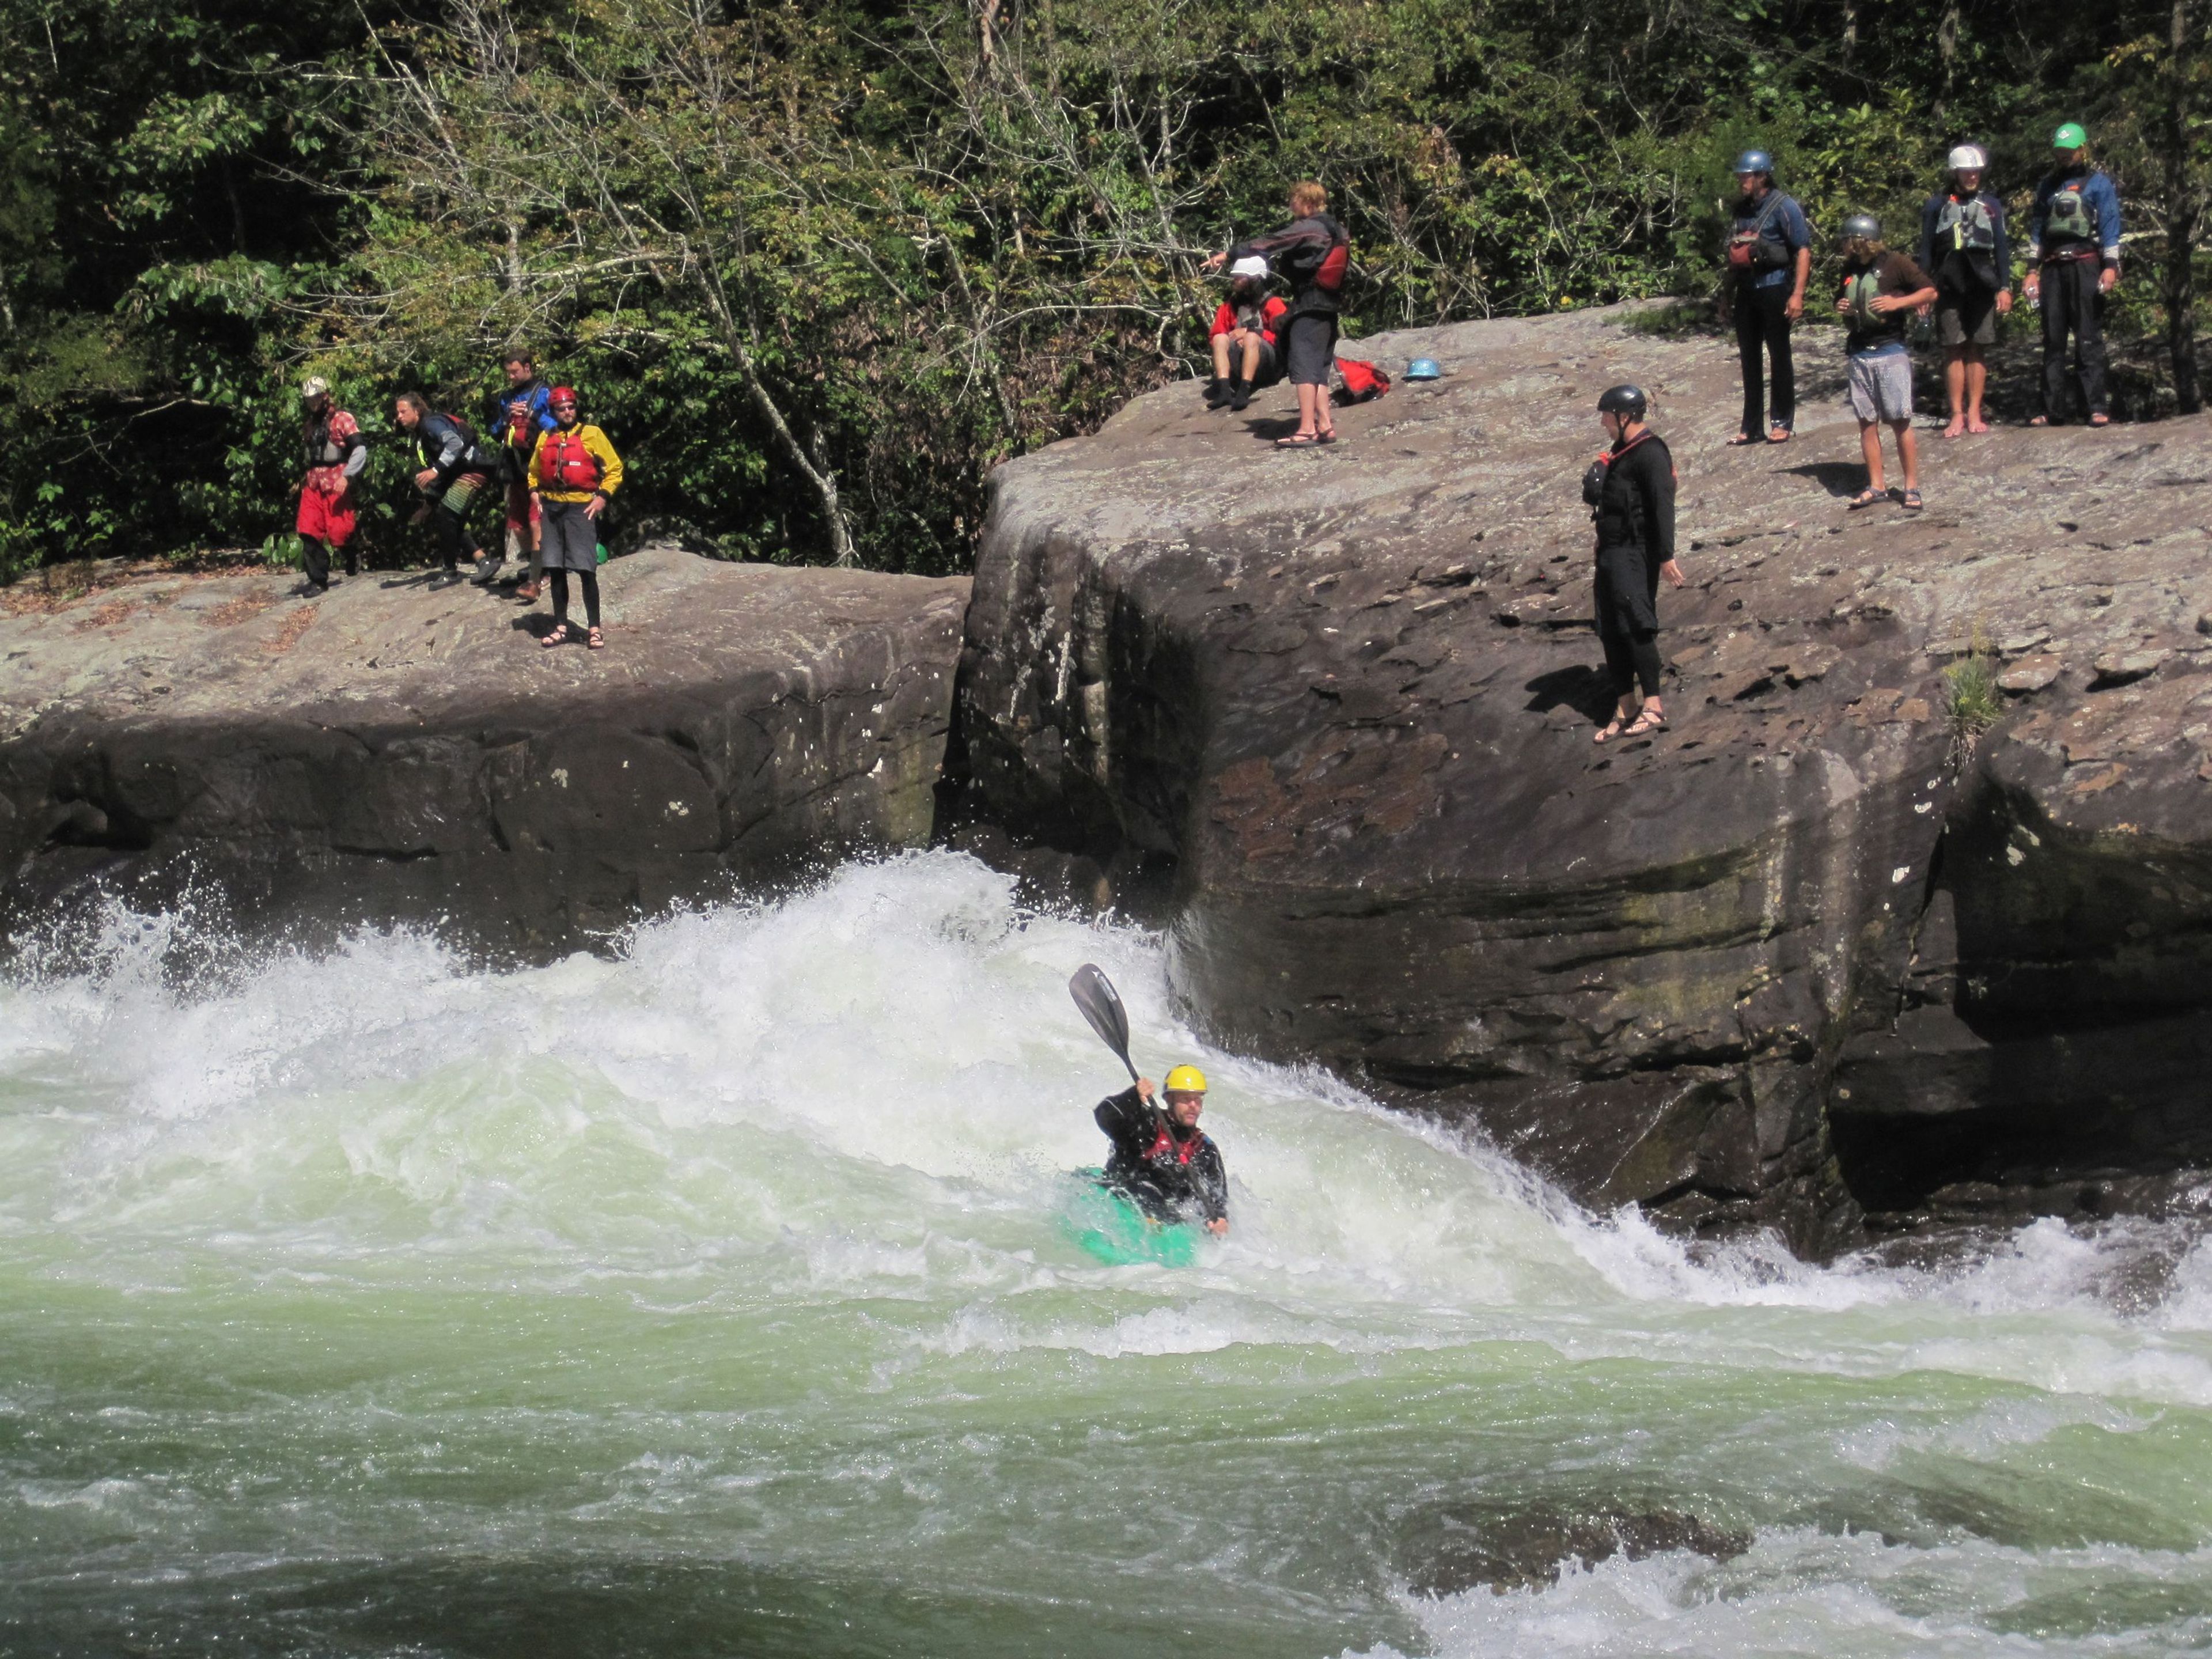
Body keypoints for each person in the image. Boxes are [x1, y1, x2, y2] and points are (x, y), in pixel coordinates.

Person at [1200, 180, 1350, 448]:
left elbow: (1271, 243)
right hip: (1329, 307)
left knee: (1304, 367)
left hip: (1309, 305)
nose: (1290, 205)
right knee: (1319, 369)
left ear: (1306, 201)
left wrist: (1229, 254)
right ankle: (1325, 425)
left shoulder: (1310, 228)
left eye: (1293, 200)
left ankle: (1305, 429)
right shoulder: (1338, 229)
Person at [1584, 384, 1685, 743]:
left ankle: (1653, 705)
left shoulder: (1651, 452)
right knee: (1610, 628)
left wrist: (1666, 556)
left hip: (1634, 551)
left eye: (1607, 416)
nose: (1603, 423)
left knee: (1636, 625)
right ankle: (1625, 704)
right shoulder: (1621, 450)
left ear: (1625, 416)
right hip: (1611, 551)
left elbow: (1663, 504)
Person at [1835, 214, 1938, 510]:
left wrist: (1897, 303)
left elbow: (1930, 291)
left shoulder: (1897, 264)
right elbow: (1841, 298)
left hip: (1890, 351)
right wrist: (1839, 305)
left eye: (1846, 241)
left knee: (1900, 420)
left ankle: (1912, 487)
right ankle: (1876, 485)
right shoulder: (1849, 269)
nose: (1843, 246)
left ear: (1859, 242)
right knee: (1867, 423)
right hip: (1859, 352)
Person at [2025, 122, 2123, 427]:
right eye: (2060, 152)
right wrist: (2031, 270)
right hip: (2053, 267)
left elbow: (2110, 224)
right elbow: (2039, 228)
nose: (2064, 156)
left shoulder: (2098, 184)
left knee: (2088, 337)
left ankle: (2094, 407)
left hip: (2086, 264)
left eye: (2069, 151)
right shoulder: (2047, 186)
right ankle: (2052, 409)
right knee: (2053, 338)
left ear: (2083, 149)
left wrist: (2111, 266)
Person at [1716, 150, 1813, 445]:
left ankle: (1782, 421)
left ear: (1762, 176)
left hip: (1775, 287)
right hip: (1747, 289)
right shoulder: (1741, 211)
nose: (1741, 181)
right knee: (1749, 358)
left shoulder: (1785, 207)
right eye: (1740, 176)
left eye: (1746, 176)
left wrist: (1797, 294)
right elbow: (1735, 256)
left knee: (1779, 355)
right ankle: (1752, 426)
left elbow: (1803, 250)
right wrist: (1725, 295)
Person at [1918, 145, 2013, 438]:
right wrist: (1924, 287)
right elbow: (1926, 248)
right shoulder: (1937, 205)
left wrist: (2005, 286)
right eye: (1967, 172)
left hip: (1982, 282)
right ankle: (1956, 414)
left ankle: (1975, 410)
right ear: (1955, 173)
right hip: (1949, 283)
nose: (1972, 176)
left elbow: (2000, 247)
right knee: (1953, 347)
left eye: (1976, 172)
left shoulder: (1992, 205)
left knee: (1978, 347)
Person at [528, 385, 624, 650]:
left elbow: (615, 469)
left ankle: (594, 629)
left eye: (571, 407)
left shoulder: (592, 434)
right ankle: (561, 626)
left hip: (581, 508)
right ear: (554, 411)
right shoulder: (545, 437)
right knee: (556, 569)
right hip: (552, 509)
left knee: (585, 570)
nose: (568, 412)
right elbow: (534, 471)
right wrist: (534, 491)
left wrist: (602, 497)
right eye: (562, 409)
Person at [1093, 1066, 1229, 1234]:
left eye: (1198, 1099)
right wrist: (1133, 1095)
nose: (1193, 1106)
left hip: (1165, 1220)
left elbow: (1217, 1195)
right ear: (1169, 1099)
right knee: (1146, 1189)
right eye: (1186, 1099)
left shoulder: (1205, 1148)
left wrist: (1220, 1219)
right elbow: (1104, 1116)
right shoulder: (1146, 1124)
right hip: (1124, 1198)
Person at [393, 392, 494, 586]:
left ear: (417, 411)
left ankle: (451, 571)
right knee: (449, 517)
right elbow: (443, 478)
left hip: (474, 470)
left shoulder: (431, 424)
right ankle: (484, 561)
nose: (399, 417)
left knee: (447, 513)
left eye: (403, 412)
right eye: (397, 413)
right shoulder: (423, 432)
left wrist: (435, 470)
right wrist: (427, 506)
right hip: (463, 472)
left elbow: (456, 443)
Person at [486, 351, 556, 594]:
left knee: (537, 520)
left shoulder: (545, 392)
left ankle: (542, 574)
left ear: (527, 367)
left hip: (538, 465)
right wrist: (508, 416)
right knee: (518, 525)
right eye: (508, 373)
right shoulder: (507, 397)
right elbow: (494, 431)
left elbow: (558, 427)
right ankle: (534, 564)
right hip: (513, 466)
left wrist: (531, 414)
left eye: (515, 372)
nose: (511, 377)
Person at [294, 377, 366, 597]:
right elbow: (311, 457)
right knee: (307, 529)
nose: (312, 403)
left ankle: (352, 553)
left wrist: (347, 476)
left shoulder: (342, 419)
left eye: (316, 398)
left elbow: (360, 449)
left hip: (336, 482)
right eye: (309, 400)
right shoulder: (310, 424)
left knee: (339, 532)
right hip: (314, 483)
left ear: (325, 395)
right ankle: (318, 579)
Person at [1205, 256, 1289, 412]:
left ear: (1254, 279)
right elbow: (1215, 336)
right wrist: (1234, 339)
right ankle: (1225, 391)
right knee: (1219, 338)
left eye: (1239, 277)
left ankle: (1244, 391)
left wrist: (1253, 333)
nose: (1234, 280)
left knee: (1251, 337)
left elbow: (1285, 337)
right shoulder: (1229, 306)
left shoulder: (1273, 303)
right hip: (1238, 360)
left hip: (1269, 367)